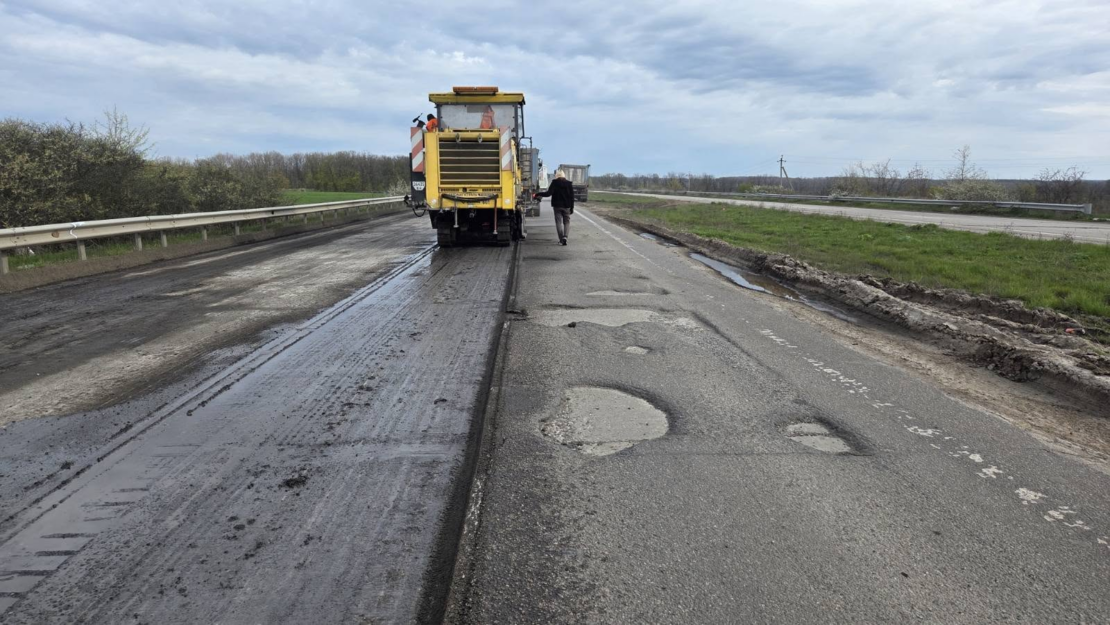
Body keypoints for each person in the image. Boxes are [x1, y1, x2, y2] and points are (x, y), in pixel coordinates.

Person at [534, 170, 575, 245]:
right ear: (564, 176)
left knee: (558, 222)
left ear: (557, 176)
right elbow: (572, 197)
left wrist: (538, 194)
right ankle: (565, 237)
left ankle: (561, 240)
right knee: (567, 222)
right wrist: (572, 208)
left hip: (557, 206)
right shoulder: (569, 184)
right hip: (567, 206)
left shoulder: (554, 183)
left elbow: (548, 193)